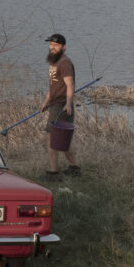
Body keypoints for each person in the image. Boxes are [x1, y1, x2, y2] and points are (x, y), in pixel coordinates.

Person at [40, 32, 80, 177]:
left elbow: (70, 85)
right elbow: (53, 86)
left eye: (55, 45)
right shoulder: (53, 62)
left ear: (64, 47)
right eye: (51, 44)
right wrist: (45, 102)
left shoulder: (64, 63)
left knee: (52, 139)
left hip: (62, 106)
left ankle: (53, 173)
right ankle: (74, 167)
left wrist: (68, 105)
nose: (52, 47)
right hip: (54, 105)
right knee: (61, 141)